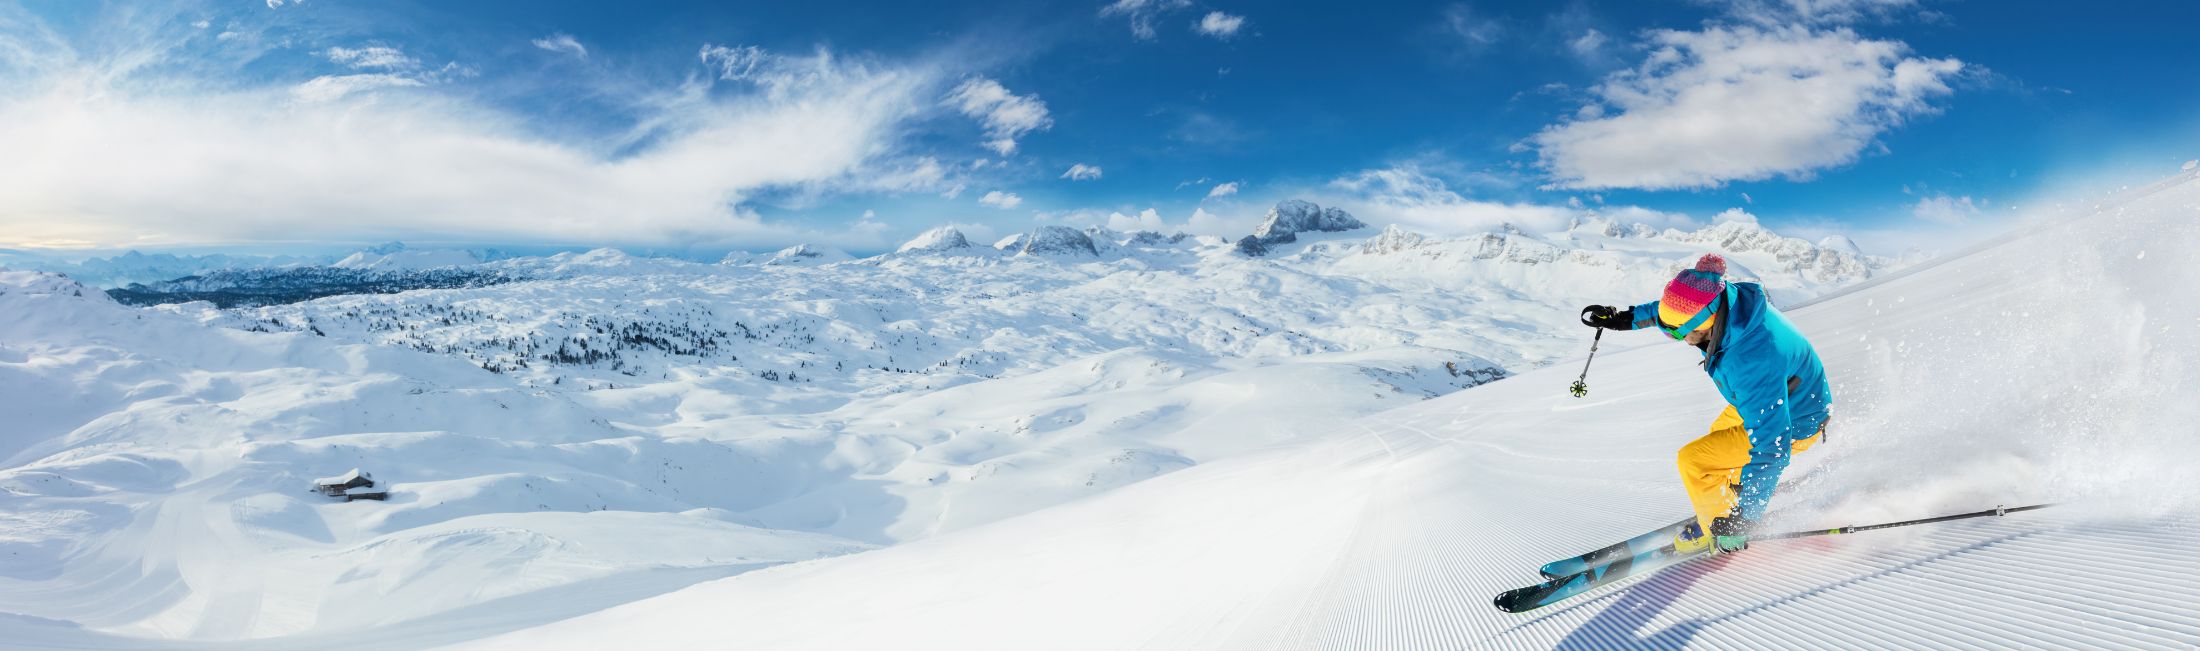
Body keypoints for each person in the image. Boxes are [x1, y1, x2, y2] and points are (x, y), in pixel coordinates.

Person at [1579, 253, 1831, 555]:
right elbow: (1669, 314)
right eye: (1673, 331)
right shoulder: (1728, 302)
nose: (1680, 339)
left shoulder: (1751, 360)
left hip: (1796, 420)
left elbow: (1771, 446)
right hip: (1783, 397)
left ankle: (1718, 525)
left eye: (1684, 332)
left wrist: (1744, 521)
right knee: (1717, 439)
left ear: (1708, 319)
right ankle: (1732, 494)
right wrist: (1624, 319)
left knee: (1695, 461)